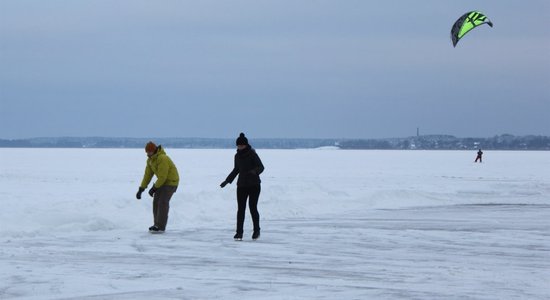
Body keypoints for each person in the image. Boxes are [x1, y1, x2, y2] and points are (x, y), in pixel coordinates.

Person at [220, 133, 265, 241]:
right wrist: (227, 180)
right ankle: (239, 233)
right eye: (238, 146)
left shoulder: (253, 154)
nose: (239, 147)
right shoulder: (237, 156)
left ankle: (256, 230)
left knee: (252, 208)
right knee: (241, 209)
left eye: (241, 145)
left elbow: (261, 167)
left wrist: (254, 172)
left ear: (245, 145)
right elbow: (236, 170)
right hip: (241, 185)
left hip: (254, 185)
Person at [136, 141, 179, 233]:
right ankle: (156, 224)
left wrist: (154, 188)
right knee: (156, 201)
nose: (148, 154)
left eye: (149, 152)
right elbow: (147, 175)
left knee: (163, 202)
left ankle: (160, 227)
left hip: (171, 182)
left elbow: (163, 176)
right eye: (147, 152)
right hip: (162, 182)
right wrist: (141, 188)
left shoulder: (162, 158)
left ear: (154, 150)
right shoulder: (150, 160)